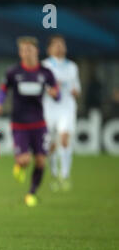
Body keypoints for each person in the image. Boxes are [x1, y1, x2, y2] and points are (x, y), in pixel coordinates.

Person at [0, 36, 59, 207]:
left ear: (36, 51)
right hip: (19, 124)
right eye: (23, 50)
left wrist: (55, 94)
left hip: (39, 124)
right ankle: (19, 166)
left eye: (29, 49)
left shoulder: (45, 73)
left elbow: (57, 93)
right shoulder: (13, 72)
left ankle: (31, 193)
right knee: (24, 160)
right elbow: (3, 90)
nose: (26, 53)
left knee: (41, 160)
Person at [42, 34, 81, 191]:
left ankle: (64, 175)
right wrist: (51, 90)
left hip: (67, 108)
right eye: (56, 44)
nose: (59, 47)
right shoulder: (44, 66)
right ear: (49, 48)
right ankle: (53, 173)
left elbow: (77, 89)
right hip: (49, 109)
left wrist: (73, 91)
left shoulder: (72, 67)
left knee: (64, 139)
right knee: (51, 144)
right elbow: (42, 86)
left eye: (62, 44)